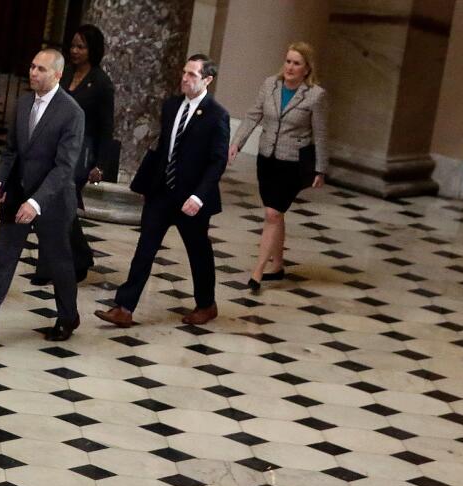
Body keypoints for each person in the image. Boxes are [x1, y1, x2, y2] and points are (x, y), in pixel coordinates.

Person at [0, 48, 84, 349]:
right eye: (32, 66)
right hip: (18, 195)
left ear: (58, 75)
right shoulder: (23, 103)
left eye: (41, 69)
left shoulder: (71, 112)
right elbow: (12, 150)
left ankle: (68, 315)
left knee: (58, 260)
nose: (33, 73)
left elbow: (64, 167)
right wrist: (1, 179)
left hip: (51, 201)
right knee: (2, 260)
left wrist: (36, 202)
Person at [96, 54, 229, 328]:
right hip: (162, 193)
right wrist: (148, 184)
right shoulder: (171, 106)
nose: (184, 78)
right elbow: (163, 150)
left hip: (191, 198)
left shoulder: (217, 116)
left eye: (192, 74)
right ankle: (124, 307)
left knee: (198, 251)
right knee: (145, 248)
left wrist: (199, 196)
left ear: (207, 80)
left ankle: (206, 304)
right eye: (184, 72)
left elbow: (217, 162)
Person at [229, 41, 329, 293]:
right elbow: (253, 115)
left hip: (293, 164)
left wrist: (320, 169)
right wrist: (237, 143)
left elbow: (321, 134)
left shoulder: (315, 95)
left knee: (272, 214)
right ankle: (278, 265)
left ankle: (258, 272)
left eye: (297, 63)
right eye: (288, 61)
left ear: (306, 69)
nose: (290, 67)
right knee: (276, 212)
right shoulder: (269, 85)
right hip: (267, 158)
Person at [62, 23, 114, 283]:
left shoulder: (102, 83)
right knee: (59, 206)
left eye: (81, 47)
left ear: (92, 49)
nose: (74, 51)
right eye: (73, 45)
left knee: (63, 201)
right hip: (59, 147)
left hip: (83, 152)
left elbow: (107, 128)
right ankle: (75, 257)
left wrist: (101, 164)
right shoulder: (65, 73)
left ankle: (77, 258)